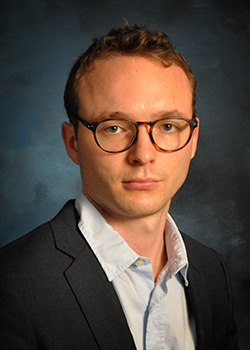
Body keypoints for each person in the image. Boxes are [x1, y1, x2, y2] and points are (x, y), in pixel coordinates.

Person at [0, 21, 238, 350]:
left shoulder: (212, 273)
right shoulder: (11, 285)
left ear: (193, 139)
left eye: (168, 125)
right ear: (72, 143)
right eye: (113, 127)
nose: (143, 154)